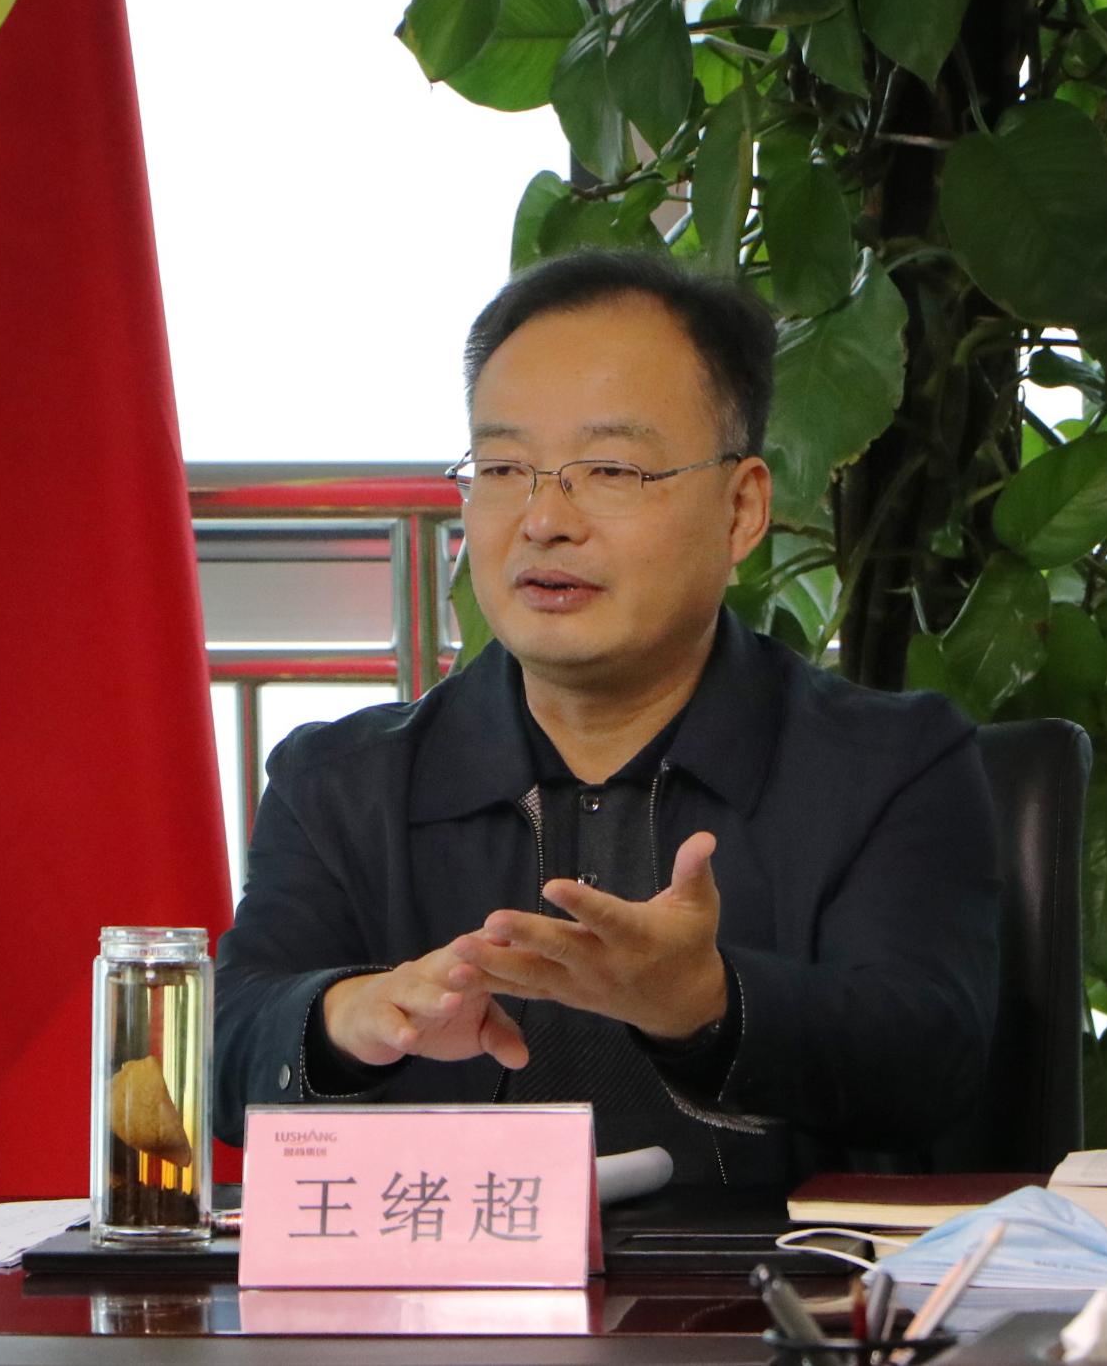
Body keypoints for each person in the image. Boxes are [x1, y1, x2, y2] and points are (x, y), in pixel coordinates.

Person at [212, 250, 999, 1188]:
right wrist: (346, 1015)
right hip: (445, 1281)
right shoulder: (341, 782)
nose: (543, 518)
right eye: (504, 466)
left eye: (611, 469)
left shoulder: (891, 765)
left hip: (770, 1281)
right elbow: (225, 1048)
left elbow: (934, 1064)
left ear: (742, 509)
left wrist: (706, 1002)